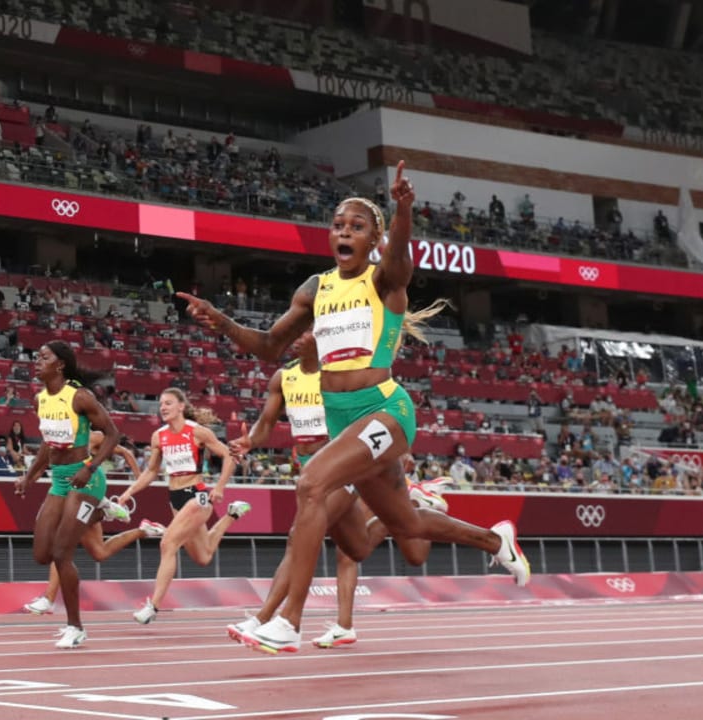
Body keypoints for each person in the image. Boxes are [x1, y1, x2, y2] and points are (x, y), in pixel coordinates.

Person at [179, 162, 528, 652]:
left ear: (374, 239)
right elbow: (267, 346)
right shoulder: (315, 289)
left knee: (311, 484)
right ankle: (498, 542)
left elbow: (402, 260)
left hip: (385, 410)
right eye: (338, 225)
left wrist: (403, 210)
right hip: (342, 420)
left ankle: (288, 623)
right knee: (374, 537)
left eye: (357, 226)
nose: (344, 232)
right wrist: (220, 321)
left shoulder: (386, 280)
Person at [226, 332, 444, 649]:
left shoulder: (341, 377)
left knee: (297, 536)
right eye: (295, 332)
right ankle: (344, 625)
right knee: (353, 550)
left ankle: (263, 618)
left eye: (304, 331)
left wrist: (395, 447)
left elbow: (378, 408)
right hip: (308, 467)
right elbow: (265, 424)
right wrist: (250, 440)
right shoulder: (283, 377)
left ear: (322, 335)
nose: (296, 338)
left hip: (342, 463)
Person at [13, 341, 125, 649]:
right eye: (37, 356)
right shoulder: (40, 401)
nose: (37, 362)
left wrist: (89, 467)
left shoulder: (80, 397)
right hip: (60, 480)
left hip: (86, 479)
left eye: (44, 357)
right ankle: (103, 510)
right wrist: (30, 476)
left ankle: (75, 627)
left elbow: (114, 434)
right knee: (41, 555)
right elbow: (49, 444)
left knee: (63, 553)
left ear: (60, 364)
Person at [115, 388, 251, 624]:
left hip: (197, 495)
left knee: (168, 543)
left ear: (181, 406)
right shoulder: (158, 436)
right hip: (175, 497)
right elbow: (151, 471)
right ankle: (232, 514)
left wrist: (219, 487)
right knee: (203, 556)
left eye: (168, 403)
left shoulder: (198, 432)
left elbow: (230, 456)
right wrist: (128, 492)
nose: (163, 408)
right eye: (160, 404)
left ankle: (152, 606)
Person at [23, 431, 166, 615]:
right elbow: (41, 466)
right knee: (100, 553)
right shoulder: (55, 438)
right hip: (65, 493)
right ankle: (142, 530)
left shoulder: (93, 436)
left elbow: (126, 453)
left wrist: (137, 483)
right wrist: (27, 481)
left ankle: (48, 599)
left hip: (87, 491)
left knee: (61, 546)